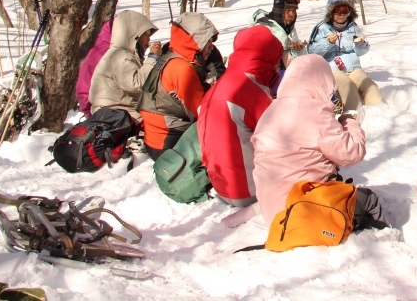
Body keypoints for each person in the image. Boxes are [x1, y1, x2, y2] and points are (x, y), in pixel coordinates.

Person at [251, 54, 388, 231]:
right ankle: (387, 242)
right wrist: (350, 121)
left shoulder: (270, 111)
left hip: (273, 211)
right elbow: (352, 153)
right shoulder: (316, 112)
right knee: (369, 201)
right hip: (305, 210)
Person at [198, 26, 283, 207]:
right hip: (248, 190)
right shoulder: (249, 88)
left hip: (222, 185)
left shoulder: (222, 83)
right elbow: (279, 139)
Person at [139, 12, 218, 159]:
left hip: (156, 136)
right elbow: (202, 111)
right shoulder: (182, 68)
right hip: (167, 143)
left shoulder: (171, 56)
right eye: (208, 41)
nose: (211, 47)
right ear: (196, 40)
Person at [308, 0, 382, 110]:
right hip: (332, 70)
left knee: (370, 87)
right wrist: (328, 43)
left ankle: (378, 114)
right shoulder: (321, 28)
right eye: (338, 10)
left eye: (345, 10)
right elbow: (311, 52)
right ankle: (354, 117)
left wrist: (360, 44)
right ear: (331, 12)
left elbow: (362, 51)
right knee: (349, 88)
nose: (342, 15)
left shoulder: (353, 27)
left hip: (353, 68)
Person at [89, 11, 161, 122]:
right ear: (134, 35)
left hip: (120, 113)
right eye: (146, 35)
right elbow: (135, 84)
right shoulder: (119, 56)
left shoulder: (124, 55)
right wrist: (153, 58)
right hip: (116, 116)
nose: (148, 41)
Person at [252, 0, 307, 70]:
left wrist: (296, 50)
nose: (292, 14)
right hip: (267, 75)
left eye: (294, 11)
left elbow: (294, 59)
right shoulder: (264, 27)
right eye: (288, 11)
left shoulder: (290, 29)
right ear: (279, 11)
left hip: (286, 75)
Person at [76, 19, 113, 118]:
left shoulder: (125, 53)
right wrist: (90, 114)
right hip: (103, 115)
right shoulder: (98, 55)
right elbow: (83, 88)